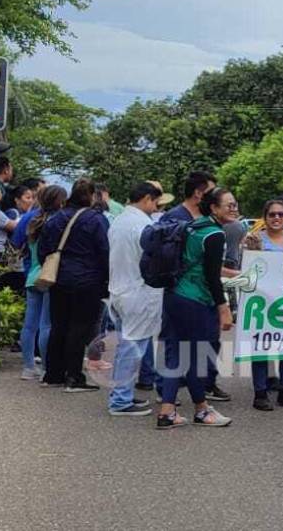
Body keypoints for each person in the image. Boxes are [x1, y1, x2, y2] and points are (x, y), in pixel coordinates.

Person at [156, 188, 236, 428]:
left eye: (235, 204)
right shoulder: (214, 234)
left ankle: (167, 412)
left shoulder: (193, 226)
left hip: (174, 295)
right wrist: (224, 308)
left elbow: (198, 264)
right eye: (229, 205)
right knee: (197, 356)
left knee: (176, 354)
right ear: (213, 207)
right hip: (196, 300)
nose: (234, 208)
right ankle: (201, 410)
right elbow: (211, 277)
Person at [36, 179, 108, 392]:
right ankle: (74, 377)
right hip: (87, 280)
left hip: (59, 279)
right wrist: (106, 279)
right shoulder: (96, 220)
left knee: (59, 326)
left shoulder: (56, 218)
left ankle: (53, 374)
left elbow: (43, 250)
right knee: (80, 327)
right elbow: (105, 251)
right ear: (92, 195)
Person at [105, 182, 164, 416]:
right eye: (156, 202)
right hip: (138, 293)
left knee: (125, 347)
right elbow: (154, 259)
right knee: (132, 348)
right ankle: (120, 400)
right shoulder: (143, 225)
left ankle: (120, 393)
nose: (156, 207)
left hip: (119, 290)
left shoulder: (118, 221)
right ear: (148, 199)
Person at [242, 199, 283, 411]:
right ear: (265, 217)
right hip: (262, 302)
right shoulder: (254, 239)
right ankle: (260, 392)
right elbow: (248, 270)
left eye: (281, 214)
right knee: (261, 347)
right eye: (272, 215)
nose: (277, 218)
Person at [16, 185, 64, 380]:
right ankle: (46, 366)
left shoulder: (32, 220)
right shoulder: (57, 221)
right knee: (46, 325)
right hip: (49, 275)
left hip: (32, 275)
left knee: (29, 325)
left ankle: (28, 367)